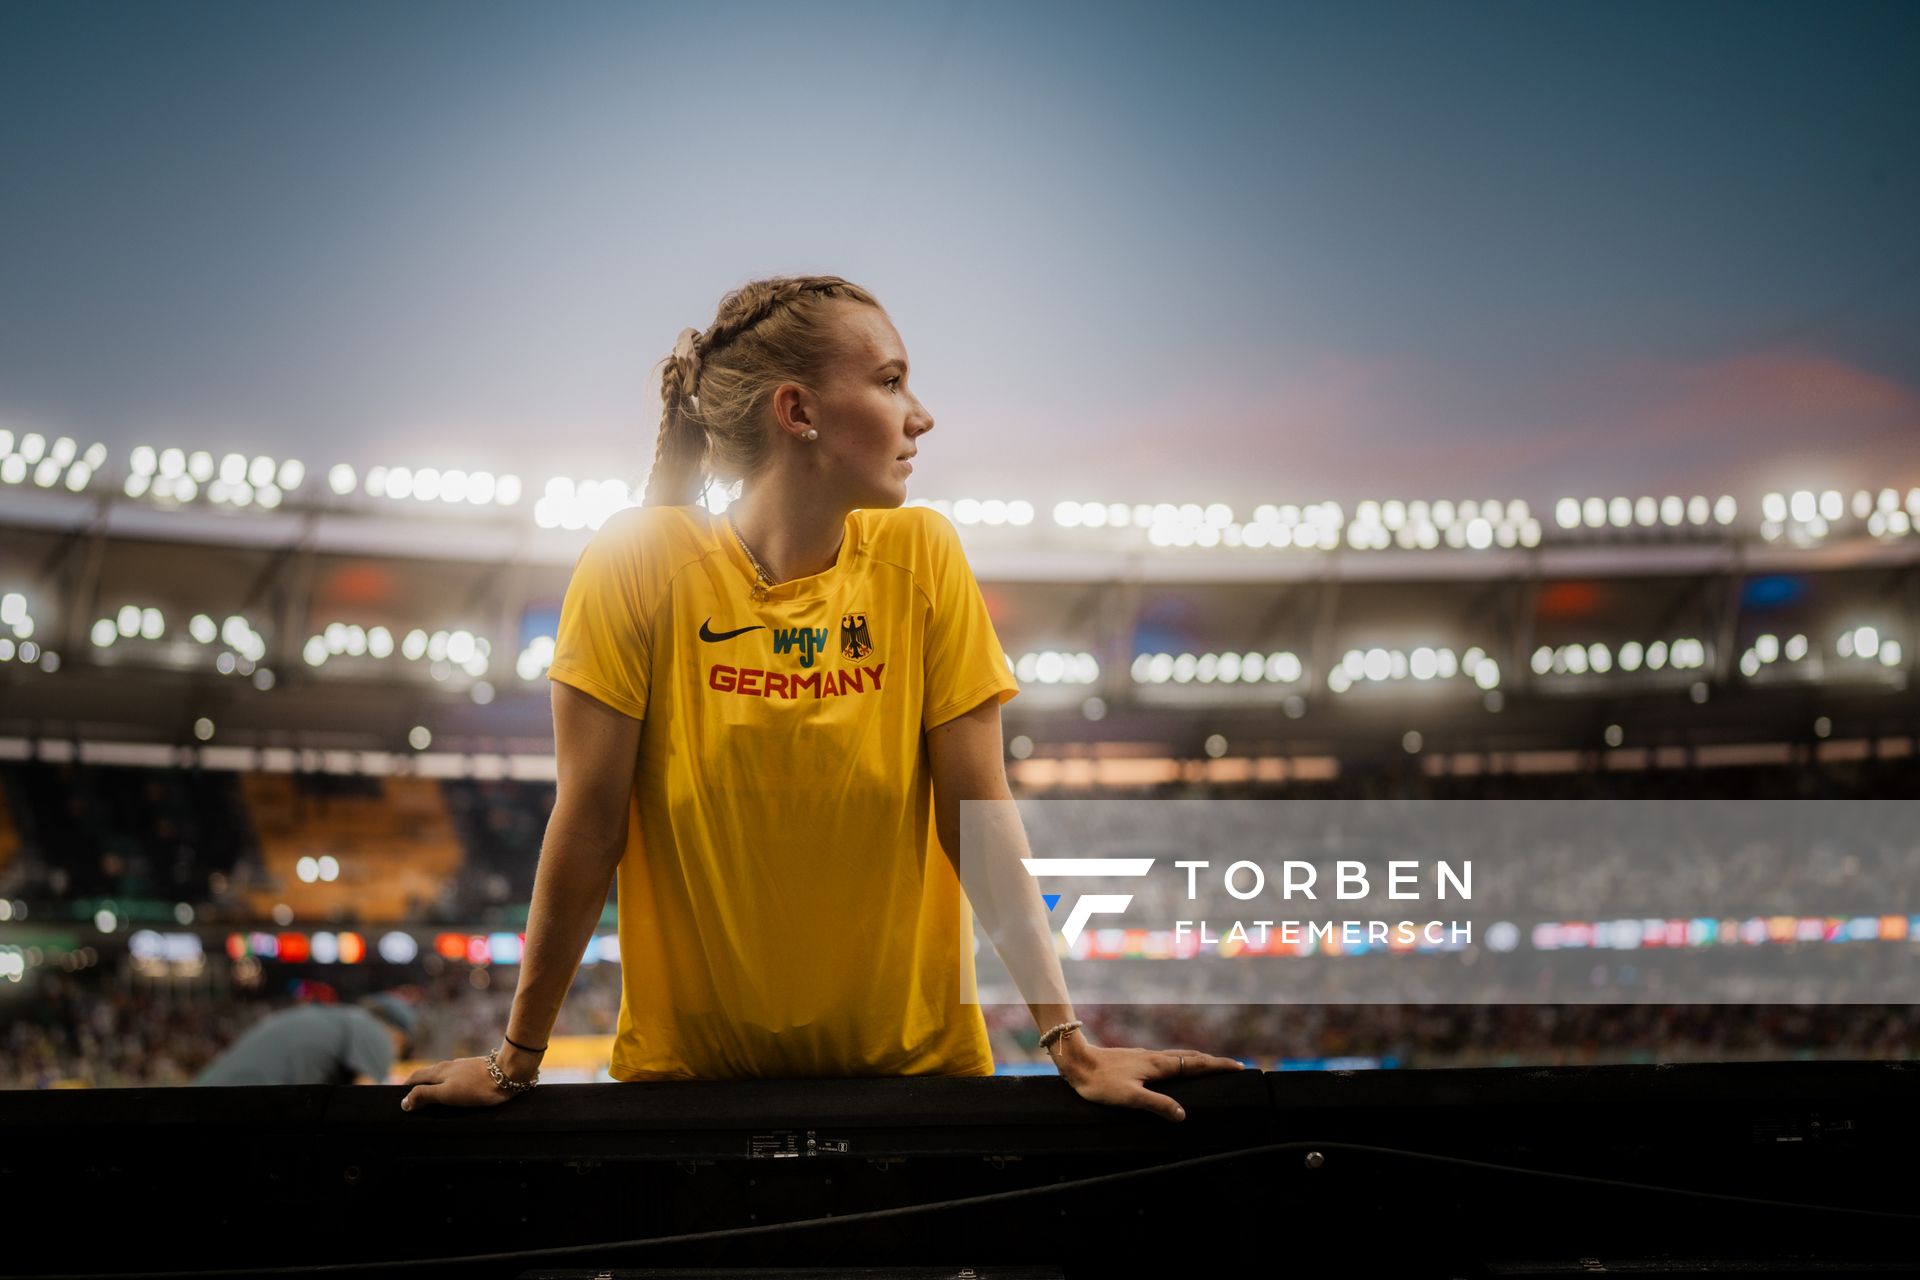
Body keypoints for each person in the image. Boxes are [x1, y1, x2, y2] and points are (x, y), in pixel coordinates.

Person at [400, 275, 1239, 1118]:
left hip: (918, 1092)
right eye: (888, 380)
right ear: (797, 412)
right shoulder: (636, 563)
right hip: (690, 1102)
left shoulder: (923, 556)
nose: (921, 414)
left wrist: (1071, 1044)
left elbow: (977, 814)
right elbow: (587, 825)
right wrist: (515, 1062)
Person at [195, 992, 417, 1086]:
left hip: (204, 1101)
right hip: (230, 1115)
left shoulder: (335, 1018)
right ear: (397, 1036)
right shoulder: (372, 1028)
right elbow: (366, 1105)